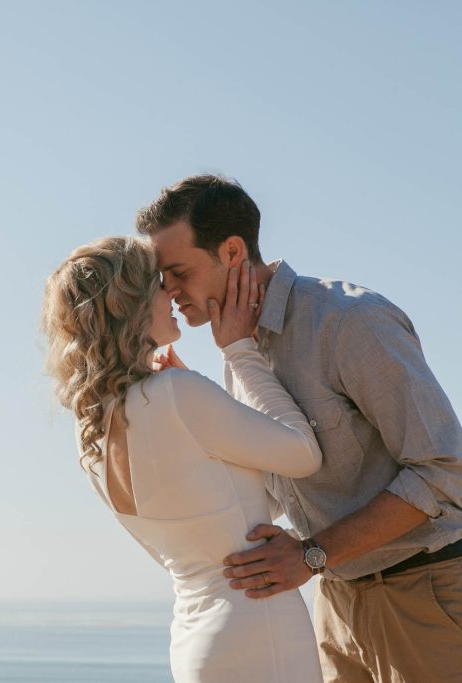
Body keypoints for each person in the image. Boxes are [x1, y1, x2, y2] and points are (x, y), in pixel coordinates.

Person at [136, 173, 462, 682]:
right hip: (335, 600)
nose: (169, 291)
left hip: (425, 592)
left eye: (178, 271)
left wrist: (313, 554)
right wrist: (192, 407)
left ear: (232, 251)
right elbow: (273, 492)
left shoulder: (348, 321)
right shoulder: (237, 352)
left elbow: (444, 470)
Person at [42, 236, 323, 682]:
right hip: (257, 624)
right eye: (156, 284)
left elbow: (233, 507)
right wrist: (239, 351)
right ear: (128, 304)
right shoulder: (176, 394)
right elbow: (304, 453)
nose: (170, 293)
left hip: (195, 637)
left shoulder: (91, 429)